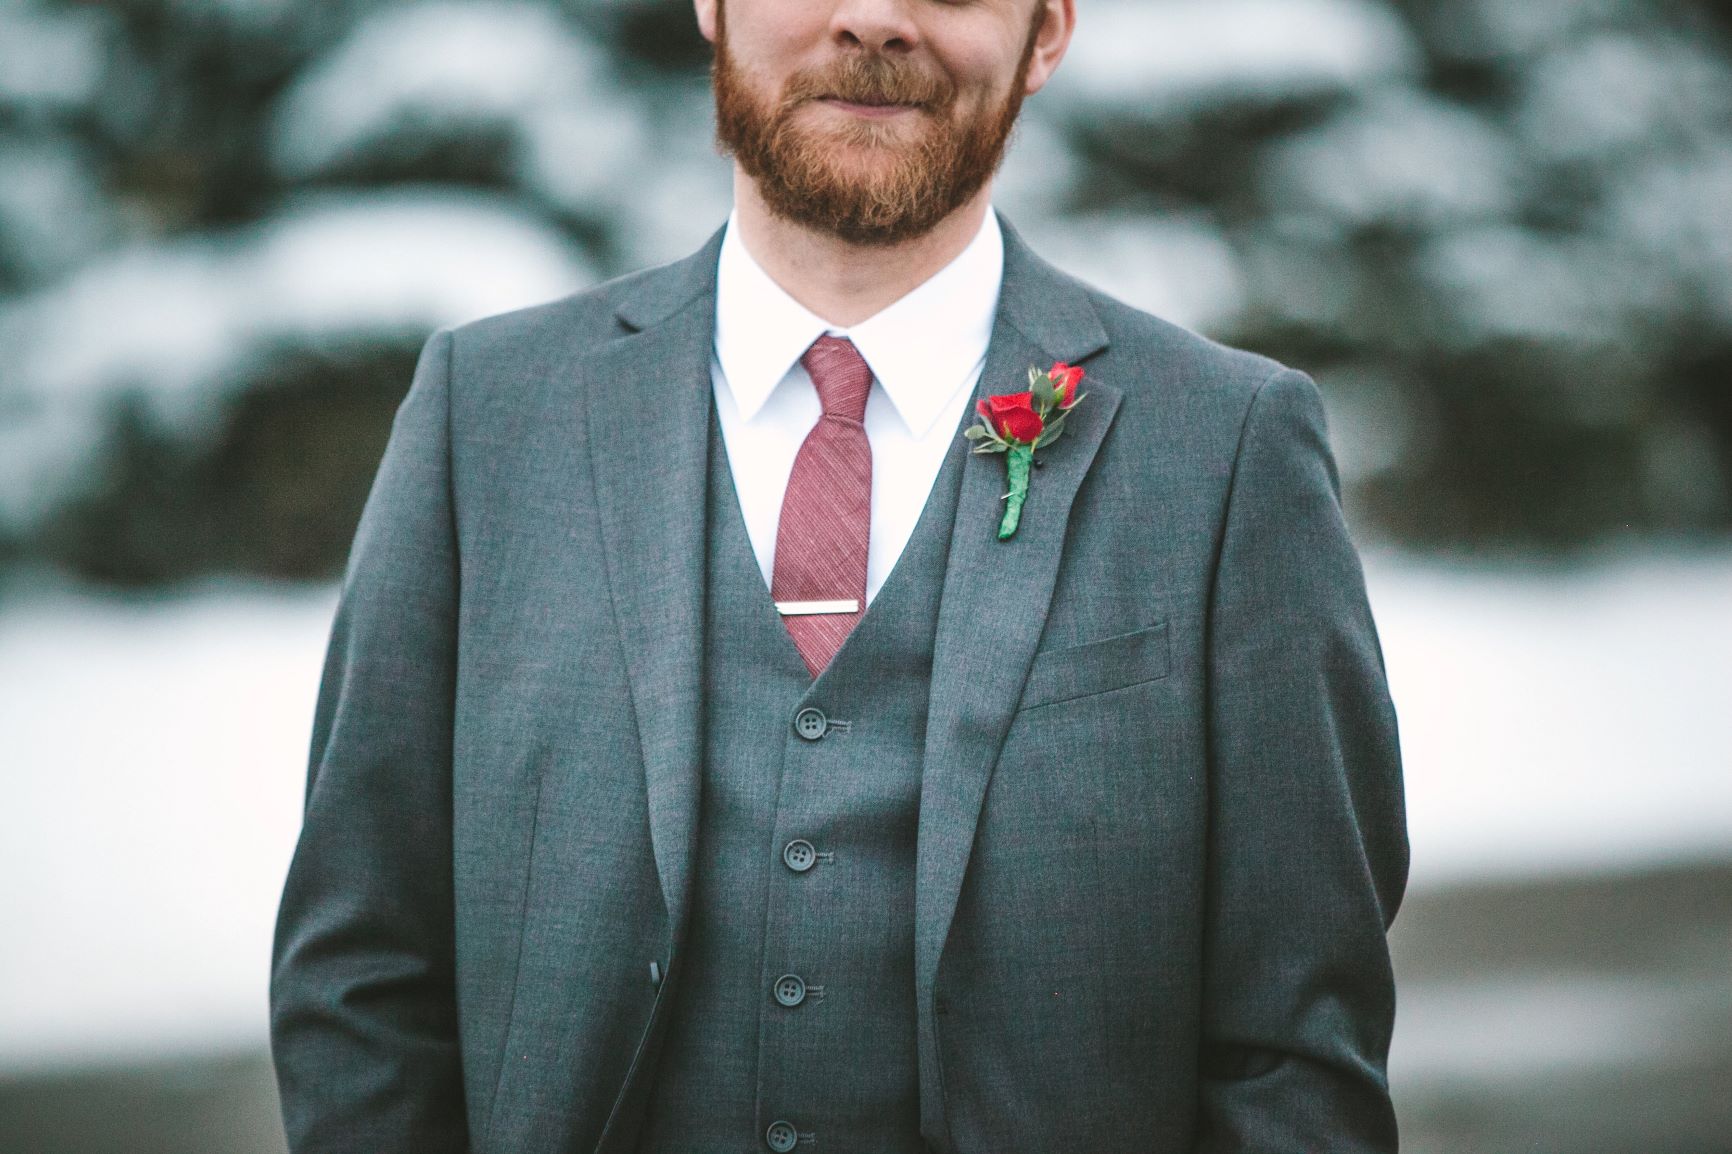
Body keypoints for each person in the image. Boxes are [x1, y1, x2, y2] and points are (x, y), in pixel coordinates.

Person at [269, 0, 1409, 1150]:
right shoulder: (487, 413)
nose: (873, 16)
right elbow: (363, 972)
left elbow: (1297, 1043)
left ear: (1048, 30)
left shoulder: (1226, 445)